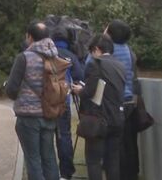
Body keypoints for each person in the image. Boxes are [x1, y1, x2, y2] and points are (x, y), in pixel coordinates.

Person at [5, 20, 61, 180]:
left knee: (33, 160)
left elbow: (11, 89)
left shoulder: (24, 58)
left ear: (29, 37)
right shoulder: (56, 58)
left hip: (29, 117)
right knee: (49, 158)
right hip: (50, 114)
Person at [71, 33, 126, 180]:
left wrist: (78, 90)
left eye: (91, 51)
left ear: (96, 49)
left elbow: (89, 91)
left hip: (99, 119)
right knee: (113, 161)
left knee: (94, 160)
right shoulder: (120, 66)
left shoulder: (95, 64)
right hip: (117, 118)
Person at [106, 20, 142, 180]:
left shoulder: (108, 53)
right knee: (130, 142)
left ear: (111, 34)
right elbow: (134, 79)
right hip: (130, 102)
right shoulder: (130, 52)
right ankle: (132, 174)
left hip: (113, 104)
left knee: (115, 146)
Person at [52, 25, 85, 180]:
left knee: (45, 138)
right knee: (64, 136)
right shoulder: (70, 56)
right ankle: (66, 173)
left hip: (45, 104)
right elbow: (80, 77)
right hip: (63, 103)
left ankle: (48, 172)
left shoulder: (46, 54)